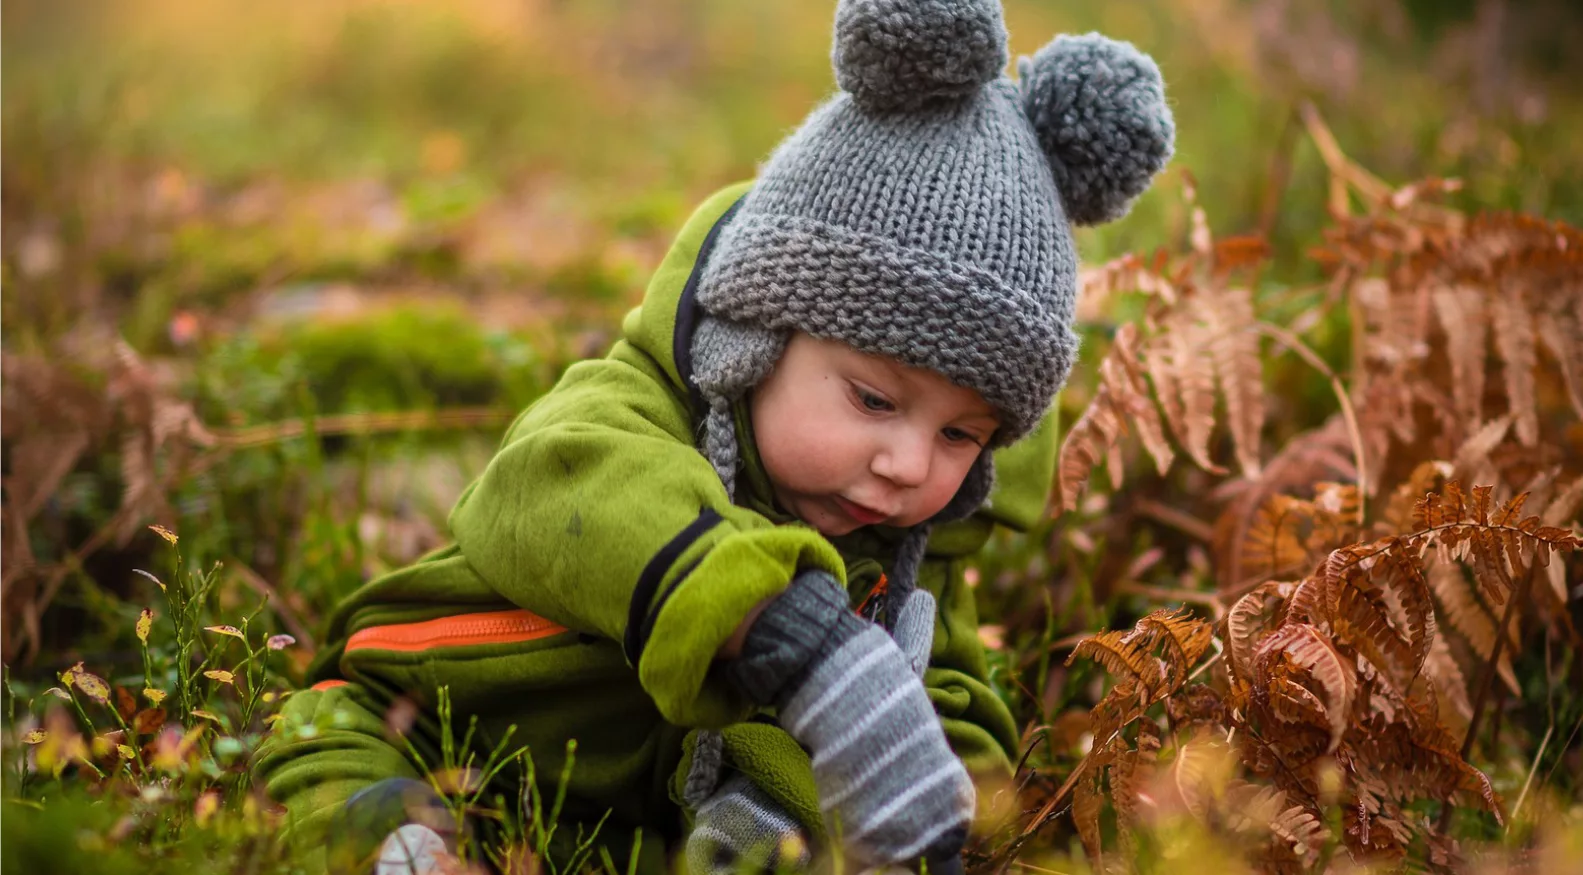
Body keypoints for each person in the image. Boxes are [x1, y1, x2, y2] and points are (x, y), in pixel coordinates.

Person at [255, 0, 1174, 872]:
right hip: (429, 707)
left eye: (961, 436)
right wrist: (783, 628)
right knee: (341, 757)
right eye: (872, 401)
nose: (906, 464)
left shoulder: (904, 555)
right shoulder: (629, 412)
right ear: (756, 337)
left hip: (621, 815)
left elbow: (951, 701)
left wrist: (927, 796)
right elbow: (550, 488)